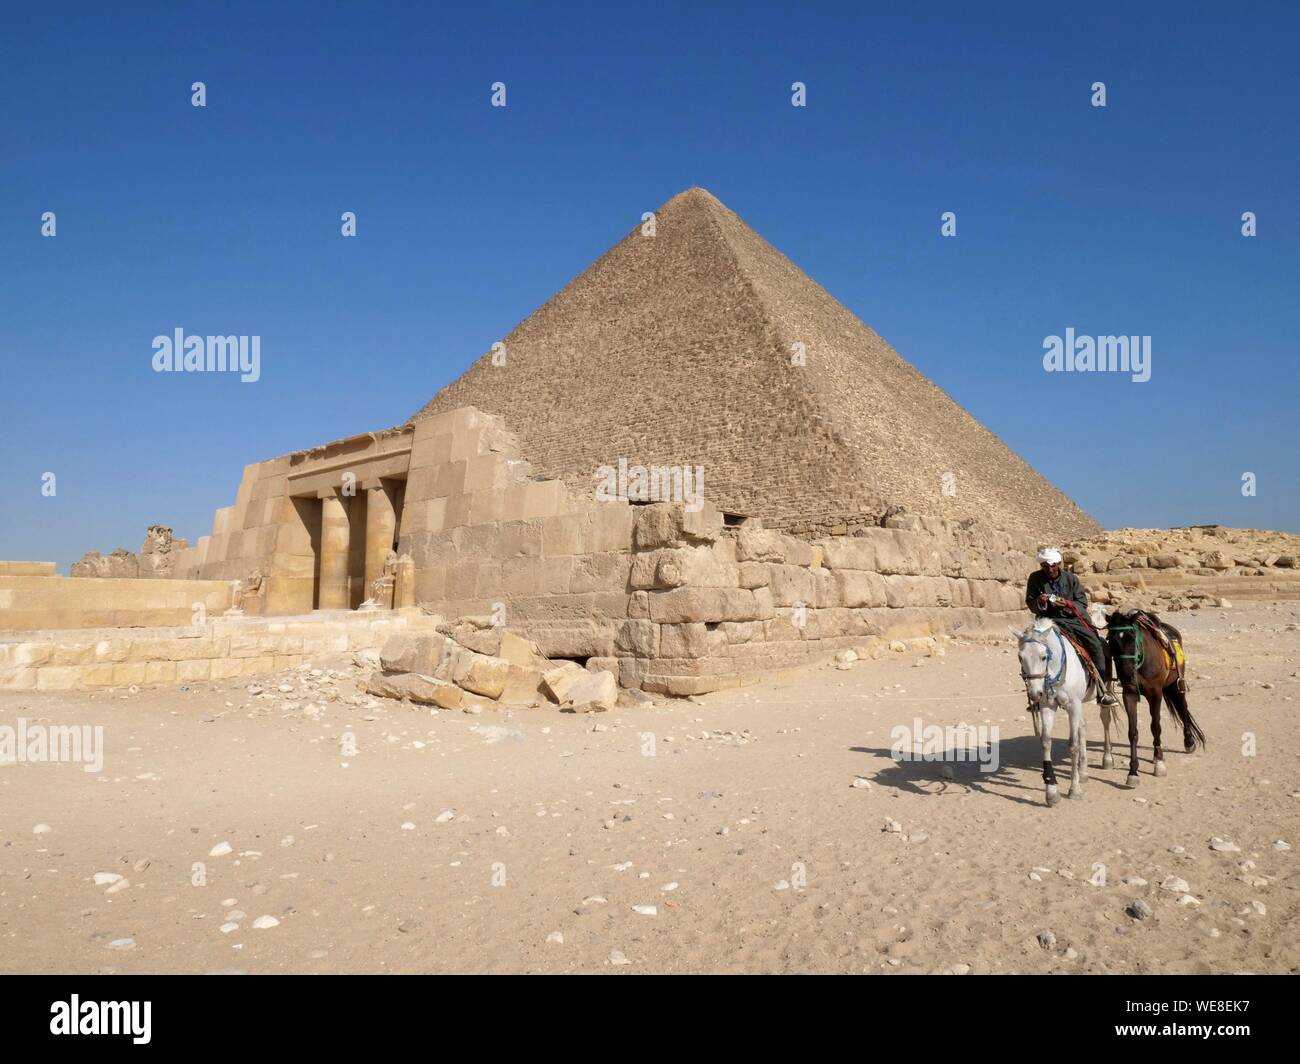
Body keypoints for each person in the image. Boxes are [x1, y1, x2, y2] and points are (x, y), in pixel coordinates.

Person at [1025, 548, 1118, 706]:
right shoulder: (1035, 578)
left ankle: (1102, 691)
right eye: (1045, 567)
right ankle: (1036, 694)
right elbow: (1030, 602)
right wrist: (1040, 603)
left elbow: (1082, 604)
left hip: (1071, 620)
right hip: (1047, 621)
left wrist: (1067, 604)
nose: (1050, 569)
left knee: (1097, 646)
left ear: (1059, 564)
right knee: (1029, 649)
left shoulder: (1071, 579)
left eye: (1053, 566)